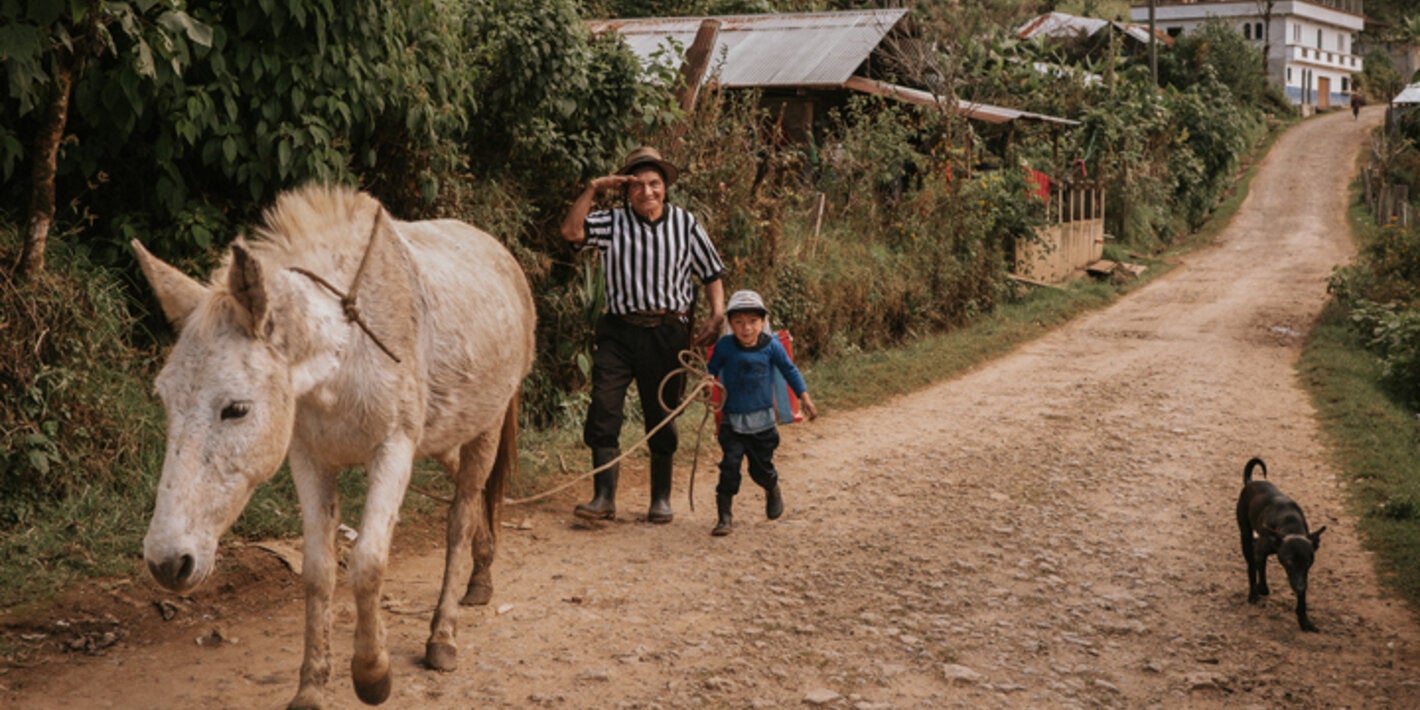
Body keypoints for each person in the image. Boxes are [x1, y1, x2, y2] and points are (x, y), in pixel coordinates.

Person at [560, 145, 726, 524]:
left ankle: (660, 499)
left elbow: (712, 273)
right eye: (637, 185)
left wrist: (717, 315)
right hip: (618, 332)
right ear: (625, 189)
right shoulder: (611, 222)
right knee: (604, 408)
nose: (646, 192)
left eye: (654, 184)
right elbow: (571, 232)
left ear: (665, 186)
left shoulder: (685, 224)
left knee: (662, 413)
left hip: (667, 333)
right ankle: (603, 498)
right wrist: (592, 188)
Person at [705, 290, 818, 536]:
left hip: (763, 423)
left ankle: (772, 487)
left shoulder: (771, 346)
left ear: (763, 321)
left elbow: (790, 370)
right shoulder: (725, 347)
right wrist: (706, 381)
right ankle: (724, 517)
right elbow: (710, 370)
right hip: (732, 422)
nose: (746, 328)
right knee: (729, 469)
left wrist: (805, 398)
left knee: (760, 469)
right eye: (739, 322)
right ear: (730, 323)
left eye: (753, 322)